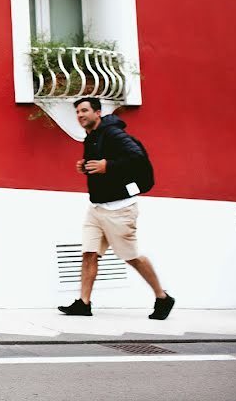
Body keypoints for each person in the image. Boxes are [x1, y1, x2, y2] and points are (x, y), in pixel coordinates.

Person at [57, 97, 175, 320]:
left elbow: (137, 158)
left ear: (98, 113)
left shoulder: (114, 134)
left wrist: (107, 166)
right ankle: (84, 303)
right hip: (97, 207)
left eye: (84, 111)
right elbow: (100, 166)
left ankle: (162, 297)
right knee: (89, 253)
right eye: (78, 112)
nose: (80, 115)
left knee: (131, 256)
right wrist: (85, 166)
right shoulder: (91, 137)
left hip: (119, 209)